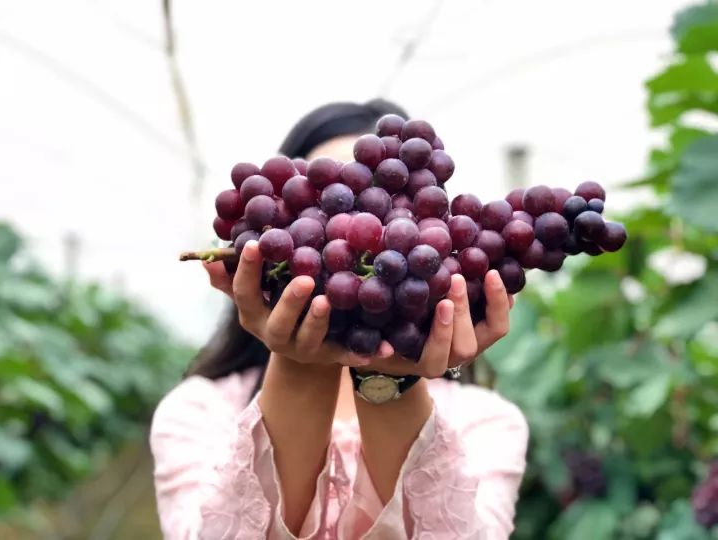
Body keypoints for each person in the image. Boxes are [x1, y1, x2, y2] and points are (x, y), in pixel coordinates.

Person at [150, 99, 529, 540]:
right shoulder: (198, 411)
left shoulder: (485, 420)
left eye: (383, 209)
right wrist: (300, 363)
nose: (358, 225)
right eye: (330, 204)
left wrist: (388, 378)